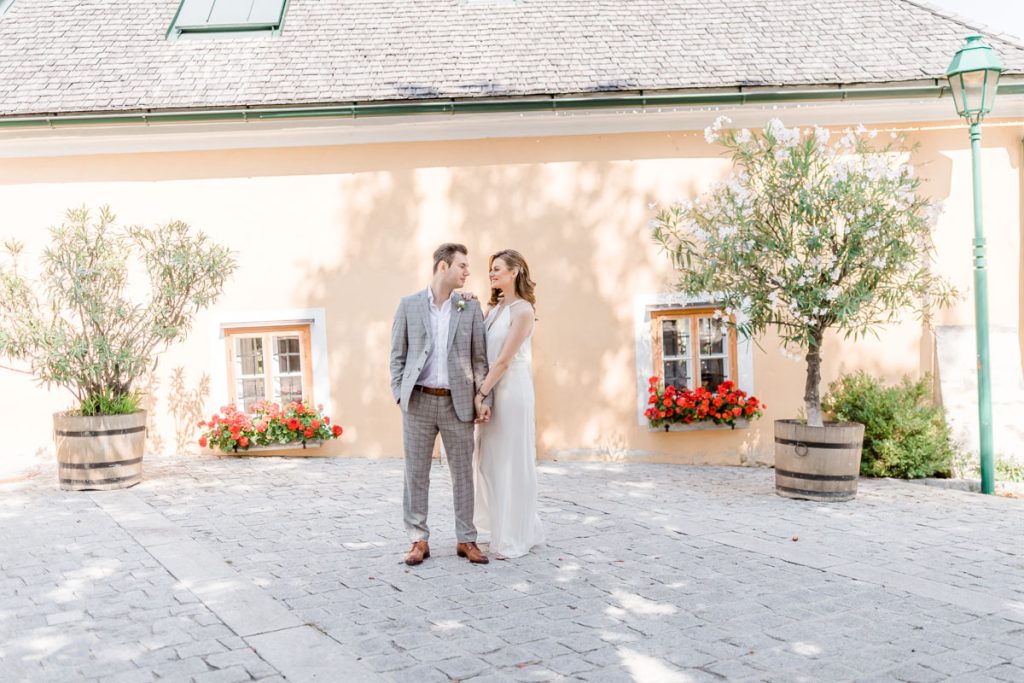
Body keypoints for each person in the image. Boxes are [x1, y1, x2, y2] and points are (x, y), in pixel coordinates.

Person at [390, 243, 491, 566]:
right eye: (462, 266)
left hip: (457, 404)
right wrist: (399, 393)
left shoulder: (470, 307)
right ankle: (418, 539)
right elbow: (397, 355)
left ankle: (466, 539)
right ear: (443, 267)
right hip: (418, 402)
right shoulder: (408, 305)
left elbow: (479, 359)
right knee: (416, 474)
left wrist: (481, 398)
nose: (468, 272)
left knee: (463, 474)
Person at [473, 249, 545, 559]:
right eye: (490, 269)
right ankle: (501, 528)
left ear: (514, 271)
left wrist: (481, 393)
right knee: (490, 462)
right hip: (492, 390)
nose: (491, 274)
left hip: (512, 392)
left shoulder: (523, 310)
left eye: (497, 268)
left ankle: (514, 536)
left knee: (511, 462)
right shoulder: (496, 308)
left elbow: (503, 360)